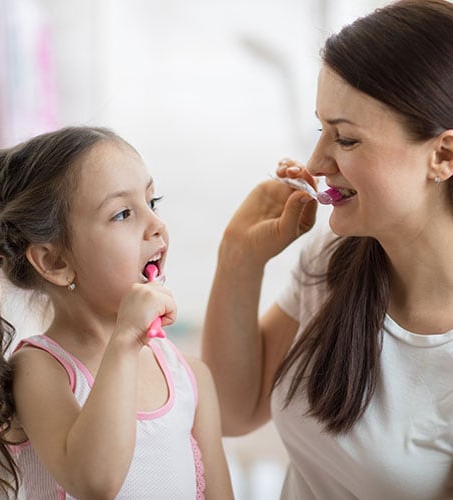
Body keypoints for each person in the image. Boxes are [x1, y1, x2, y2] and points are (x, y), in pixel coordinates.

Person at [202, 1, 453, 498]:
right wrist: (240, 258)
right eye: (321, 130)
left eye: (346, 139)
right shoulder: (336, 256)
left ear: (442, 155)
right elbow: (233, 410)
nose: (316, 161)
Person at [0, 126, 234, 499]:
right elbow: (94, 482)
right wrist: (124, 341)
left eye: (151, 203)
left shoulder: (190, 378)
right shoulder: (39, 372)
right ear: (55, 260)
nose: (156, 225)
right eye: (123, 213)